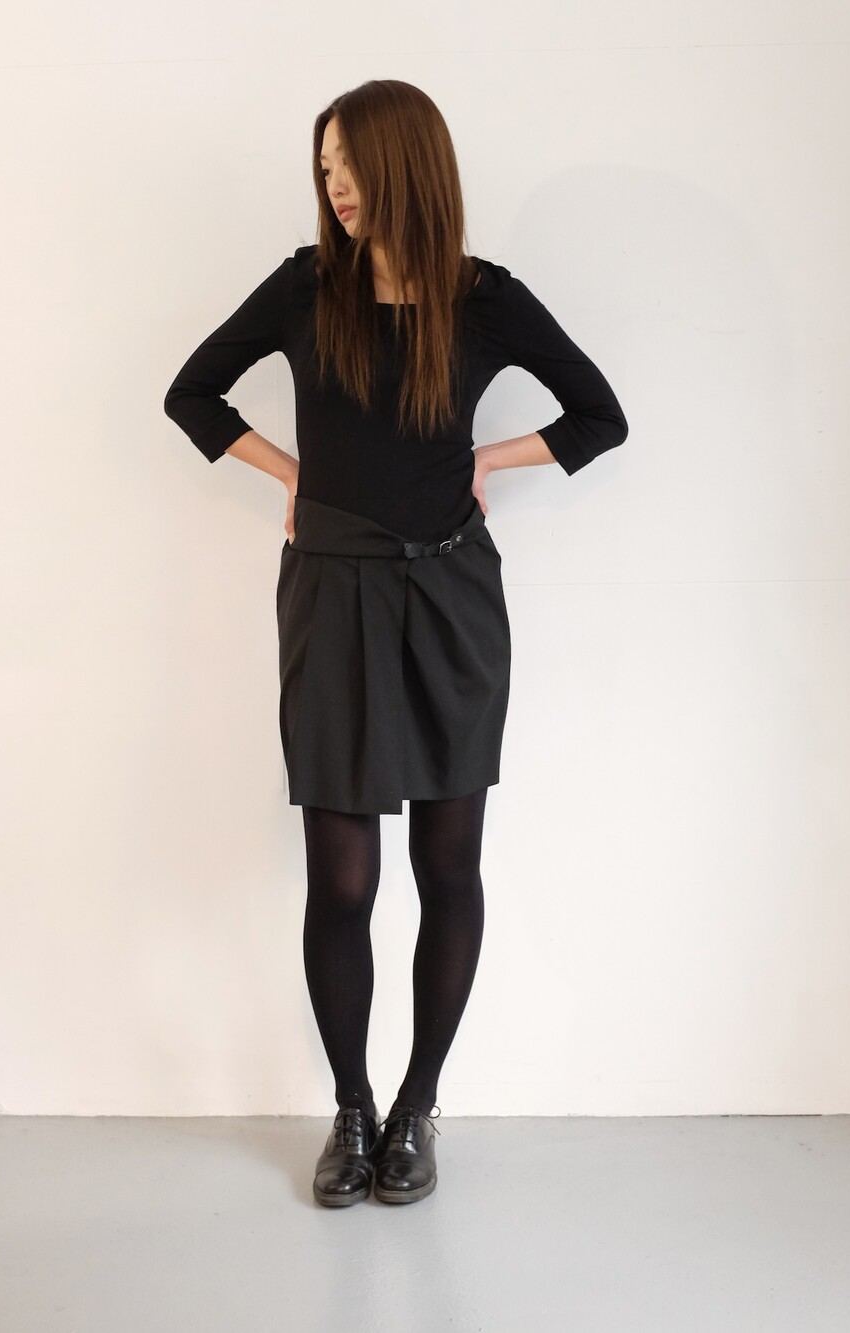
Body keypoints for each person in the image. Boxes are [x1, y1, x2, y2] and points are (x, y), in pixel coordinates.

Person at [164, 79, 628, 1207]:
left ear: (405, 164)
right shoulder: (304, 288)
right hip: (331, 595)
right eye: (324, 169)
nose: (336, 187)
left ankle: (417, 1105)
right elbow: (191, 394)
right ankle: (352, 1109)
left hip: (451, 598)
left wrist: (489, 458)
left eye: (352, 166)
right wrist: (295, 475)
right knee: (342, 877)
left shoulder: (482, 299)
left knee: (447, 864)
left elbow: (599, 415)